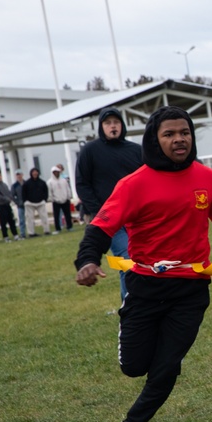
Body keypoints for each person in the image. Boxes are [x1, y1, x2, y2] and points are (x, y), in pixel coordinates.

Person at [74, 106, 212, 422]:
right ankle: (128, 328)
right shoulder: (133, 184)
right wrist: (86, 260)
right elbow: (101, 227)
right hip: (145, 288)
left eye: (185, 133)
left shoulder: (206, 178)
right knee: (134, 367)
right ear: (154, 140)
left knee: (166, 367)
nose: (179, 140)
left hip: (191, 290)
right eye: (170, 134)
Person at [76, 107, 143, 300]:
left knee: (142, 262)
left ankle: (139, 305)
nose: (112, 126)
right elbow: (82, 183)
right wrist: (99, 212)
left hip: (137, 219)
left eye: (116, 122)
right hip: (109, 221)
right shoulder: (90, 151)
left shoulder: (136, 151)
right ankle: (129, 308)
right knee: (127, 261)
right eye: (108, 123)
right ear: (101, 127)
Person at [0, 171, 20, 242]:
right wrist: (6, 198)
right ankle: (6, 236)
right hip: (0, 205)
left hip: (7, 205)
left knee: (11, 220)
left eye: (0, 175)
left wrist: (12, 199)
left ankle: (15, 235)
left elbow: (8, 193)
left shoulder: (4, 184)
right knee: (3, 222)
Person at [22, 168, 50, 236]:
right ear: (31, 173)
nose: (35, 174)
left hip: (41, 203)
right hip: (29, 203)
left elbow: (46, 191)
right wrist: (25, 201)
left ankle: (47, 231)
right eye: (33, 172)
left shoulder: (42, 182)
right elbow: (23, 193)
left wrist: (44, 200)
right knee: (30, 219)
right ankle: (31, 233)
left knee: (44, 217)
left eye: (36, 172)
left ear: (38, 173)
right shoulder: (26, 183)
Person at [48, 166, 73, 232]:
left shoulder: (63, 180)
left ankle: (69, 227)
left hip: (65, 200)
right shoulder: (50, 182)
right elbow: (50, 192)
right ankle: (58, 228)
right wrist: (52, 199)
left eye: (57, 172)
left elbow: (68, 189)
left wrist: (68, 197)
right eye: (55, 172)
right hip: (56, 201)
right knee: (56, 216)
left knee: (67, 214)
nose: (56, 173)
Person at [11, 170, 27, 238]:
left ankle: (31, 232)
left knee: (29, 219)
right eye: (17, 175)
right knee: (21, 220)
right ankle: (22, 233)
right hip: (20, 205)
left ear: (22, 175)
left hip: (28, 204)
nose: (19, 176)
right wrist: (17, 202)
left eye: (20, 174)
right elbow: (12, 195)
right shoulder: (14, 185)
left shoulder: (26, 183)